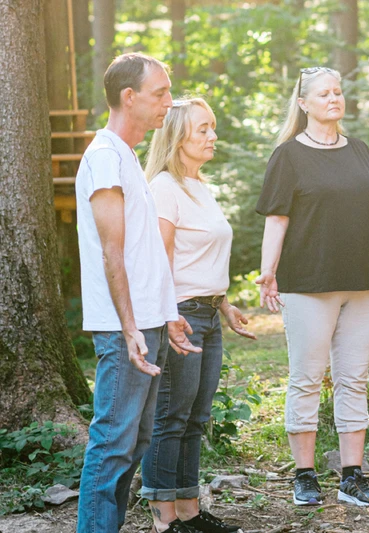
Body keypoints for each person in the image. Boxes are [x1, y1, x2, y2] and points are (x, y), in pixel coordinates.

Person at [255, 66, 369, 508]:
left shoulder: (358, 150)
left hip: (361, 284)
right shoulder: (288, 155)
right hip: (308, 284)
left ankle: (352, 475)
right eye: (323, 94)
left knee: (353, 378)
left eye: (338, 92)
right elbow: (277, 218)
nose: (333, 99)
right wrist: (269, 271)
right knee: (305, 378)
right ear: (303, 104)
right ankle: (304, 476)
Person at [76, 53, 199, 533]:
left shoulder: (125, 156)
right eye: (161, 93)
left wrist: (166, 314)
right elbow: (113, 251)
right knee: (112, 442)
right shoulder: (105, 155)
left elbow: (146, 253)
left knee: (136, 440)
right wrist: (129, 328)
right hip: (123, 327)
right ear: (130, 97)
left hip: (147, 323)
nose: (169, 103)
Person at [139, 98, 254, 533]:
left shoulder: (200, 186)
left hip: (206, 313)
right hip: (180, 315)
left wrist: (224, 304)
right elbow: (161, 258)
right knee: (171, 416)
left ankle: (189, 511)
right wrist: (169, 317)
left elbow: (199, 259)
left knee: (196, 417)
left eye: (213, 128)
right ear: (177, 135)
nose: (212, 136)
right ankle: (163, 519)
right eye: (203, 129)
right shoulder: (164, 186)